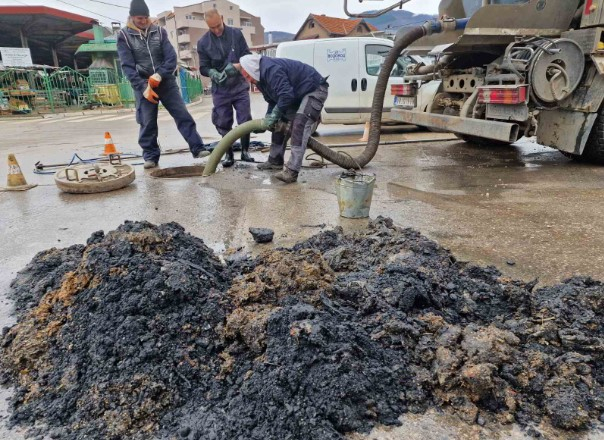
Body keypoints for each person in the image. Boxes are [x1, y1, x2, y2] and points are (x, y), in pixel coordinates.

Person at [117, 0, 209, 169]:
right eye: (139, 18)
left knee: (182, 115)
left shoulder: (159, 31)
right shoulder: (124, 36)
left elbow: (171, 58)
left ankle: (197, 148)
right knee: (147, 122)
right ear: (131, 17)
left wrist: (159, 75)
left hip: (165, 81)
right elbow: (127, 66)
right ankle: (151, 156)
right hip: (144, 84)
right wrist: (143, 87)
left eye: (145, 17)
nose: (143, 21)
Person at [238, 54, 329, 183]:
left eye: (248, 76)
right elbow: (273, 101)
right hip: (297, 95)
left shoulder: (271, 70)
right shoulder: (260, 80)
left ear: (252, 68)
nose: (249, 80)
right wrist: (269, 119)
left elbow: (286, 95)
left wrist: (274, 114)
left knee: (299, 125)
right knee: (278, 123)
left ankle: (292, 171)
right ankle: (275, 161)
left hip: (314, 89)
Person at [197, 8, 254, 168]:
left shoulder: (236, 34)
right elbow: (203, 67)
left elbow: (247, 56)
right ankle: (228, 154)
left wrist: (235, 66)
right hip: (220, 90)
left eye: (218, 25)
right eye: (212, 28)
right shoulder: (203, 43)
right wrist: (212, 72)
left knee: (245, 119)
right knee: (223, 121)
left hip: (239, 86)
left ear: (222, 18)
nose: (216, 30)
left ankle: (245, 150)